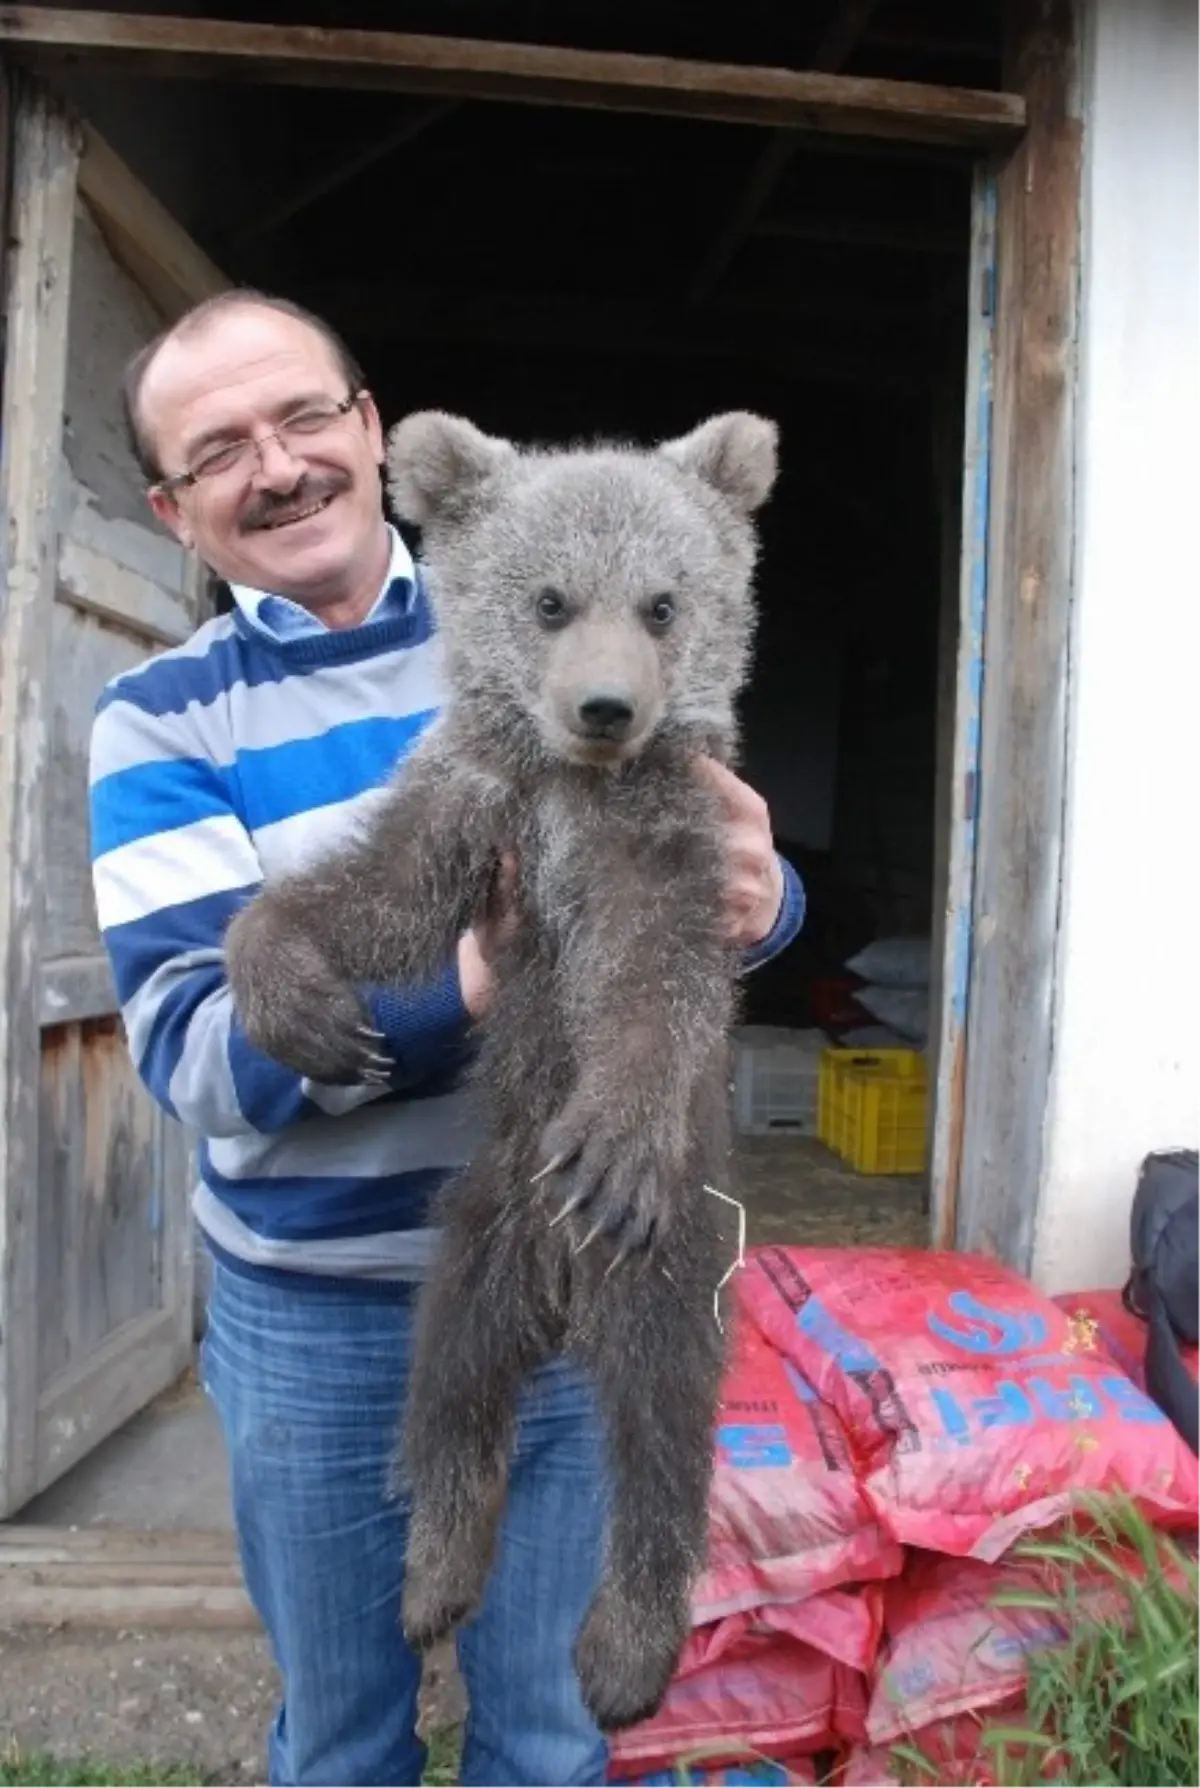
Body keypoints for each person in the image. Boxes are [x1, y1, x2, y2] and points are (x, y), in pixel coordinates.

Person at [87, 289, 805, 1788]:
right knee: (345, 1739)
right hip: (315, 1309)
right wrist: (358, 962)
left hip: (621, 1213)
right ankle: (455, 1516)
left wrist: (768, 896)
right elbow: (204, 1057)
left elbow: (689, 936)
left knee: (547, 1729)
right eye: (218, 449)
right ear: (170, 506)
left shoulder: (549, 583)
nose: (274, 463)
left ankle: (646, 1585)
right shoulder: (164, 720)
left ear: (369, 429)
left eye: (299, 416)